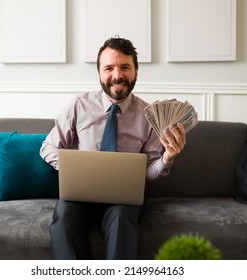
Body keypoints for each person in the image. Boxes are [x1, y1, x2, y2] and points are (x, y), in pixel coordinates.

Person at [40, 37, 186, 260]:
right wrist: (74, 169)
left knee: (121, 218)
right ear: (99, 73)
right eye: (109, 68)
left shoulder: (149, 116)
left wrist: (167, 159)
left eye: (125, 67)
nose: (117, 75)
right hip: (81, 195)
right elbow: (48, 147)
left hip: (123, 199)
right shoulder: (79, 105)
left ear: (136, 72)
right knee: (63, 217)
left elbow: (148, 173)